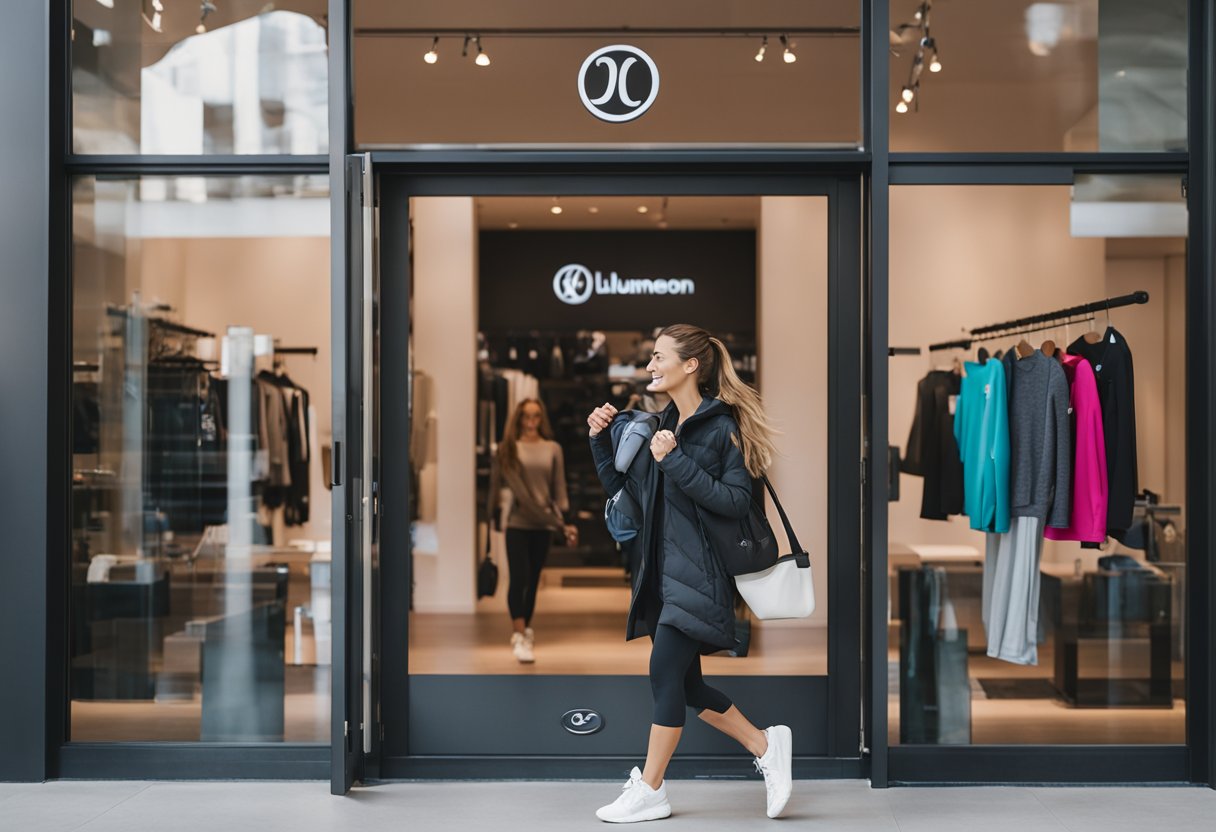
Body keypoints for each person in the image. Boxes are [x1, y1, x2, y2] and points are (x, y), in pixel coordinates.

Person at [586, 324, 793, 823]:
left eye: (659, 357)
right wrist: (597, 440)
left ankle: (651, 788)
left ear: (691, 365)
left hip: (700, 575)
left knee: (663, 674)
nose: (651, 365)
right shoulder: (658, 424)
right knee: (687, 686)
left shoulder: (723, 429)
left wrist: (675, 461)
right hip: (661, 575)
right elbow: (625, 492)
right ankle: (766, 745)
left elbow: (736, 501)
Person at [488, 398, 577, 663]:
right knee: (519, 578)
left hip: (544, 524)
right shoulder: (508, 449)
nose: (531, 421)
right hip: (517, 522)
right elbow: (498, 489)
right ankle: (518, 634)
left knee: (534, 580)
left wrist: (565, 522)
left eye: (536, 416)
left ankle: (525, 629)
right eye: (526, 416)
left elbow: (559, 489)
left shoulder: (553, 449)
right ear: (518, 419)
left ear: (541, 418)